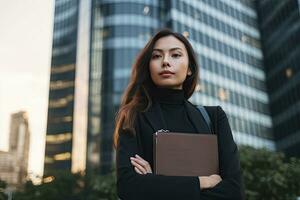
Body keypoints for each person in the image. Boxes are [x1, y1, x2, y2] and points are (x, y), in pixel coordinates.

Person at [113, 28, 244, 200]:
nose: (166, 62)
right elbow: (128, 187)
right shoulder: (133, 117)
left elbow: (234, 192)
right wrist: (201, 182)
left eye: (175, 55)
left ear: (190, 69)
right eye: (156, 56)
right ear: (149, 66)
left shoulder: (214, 117)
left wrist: (154, 184)